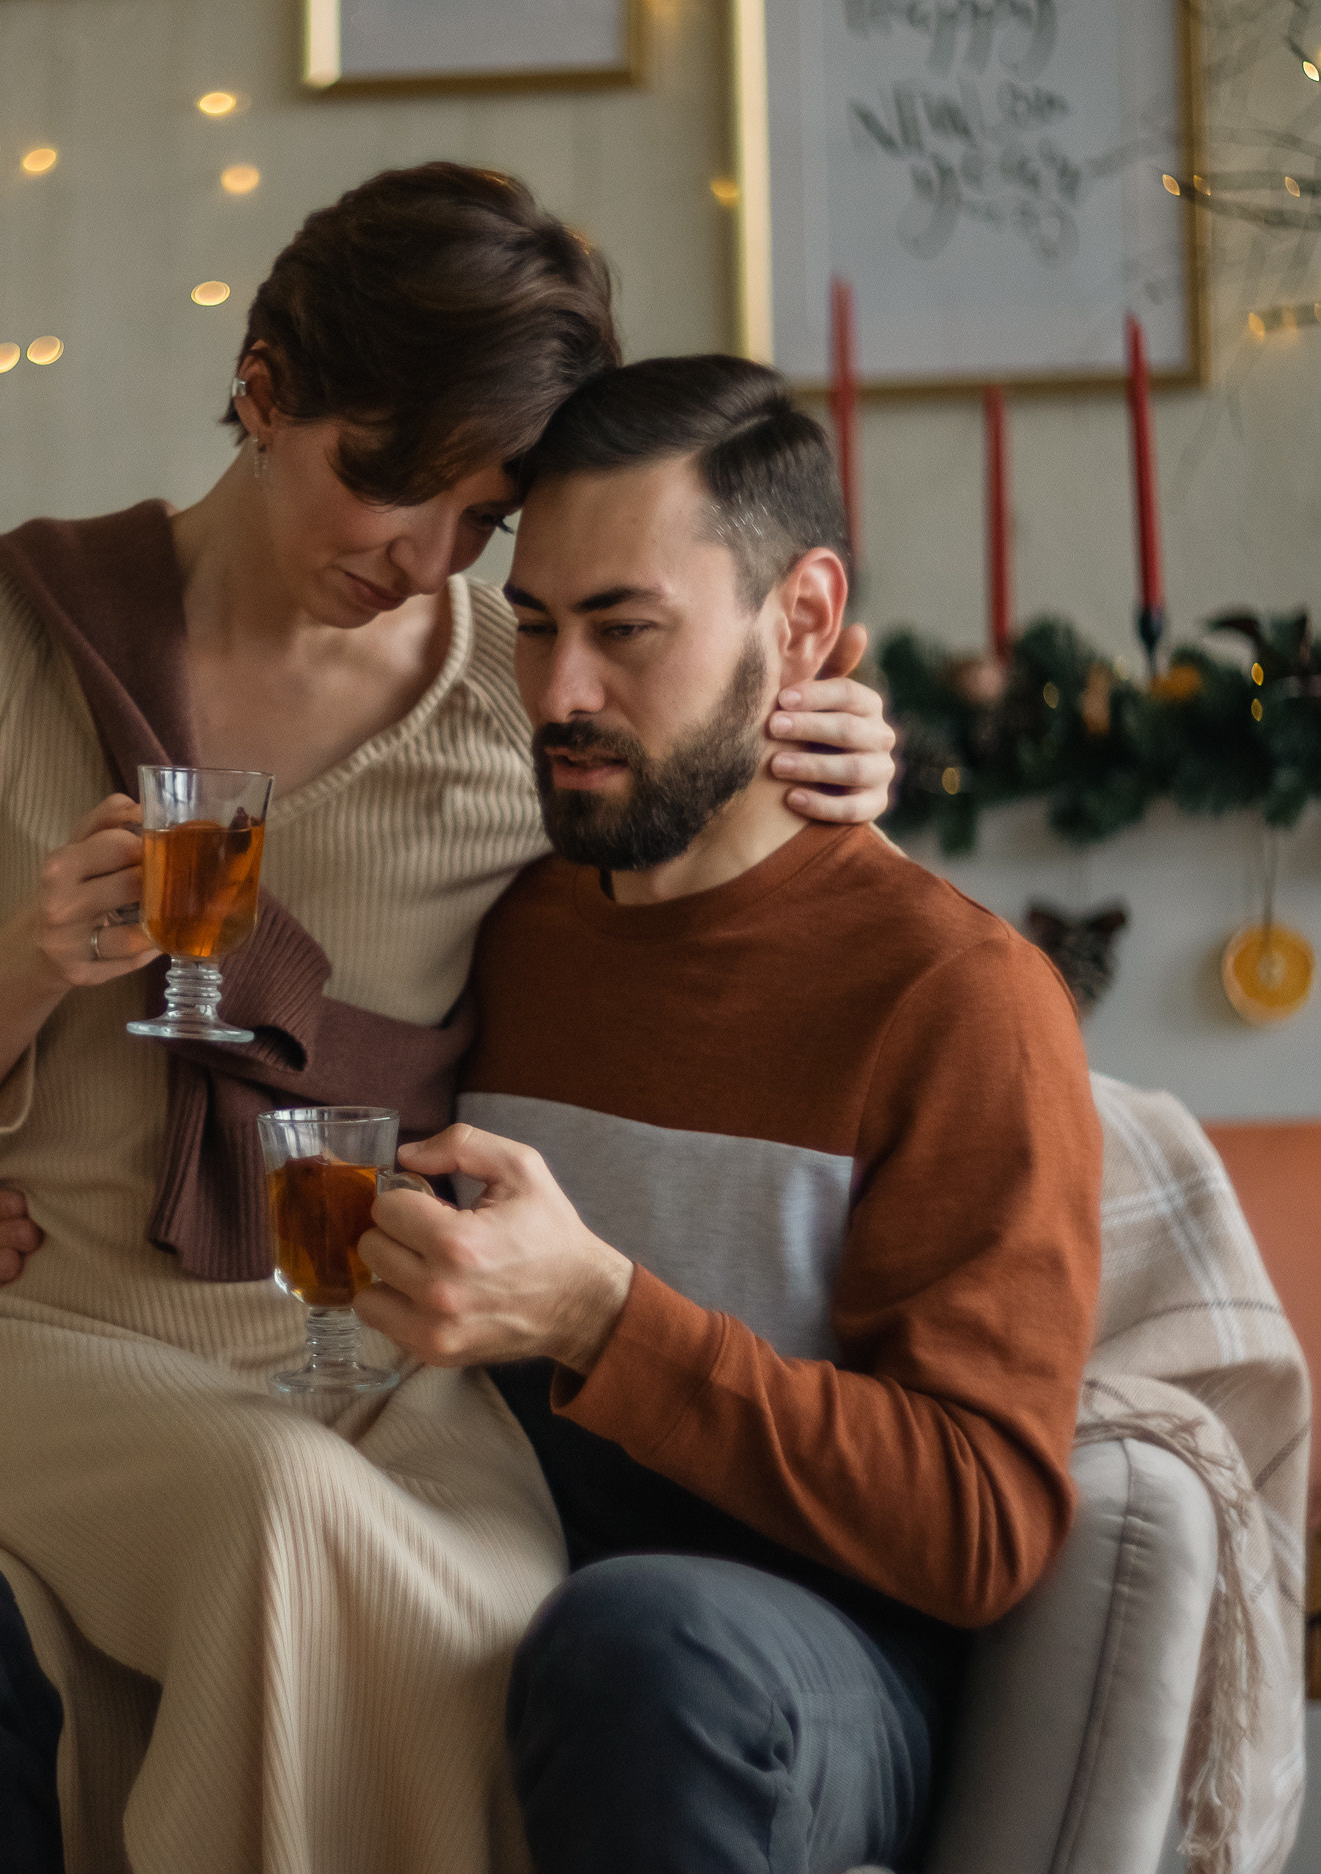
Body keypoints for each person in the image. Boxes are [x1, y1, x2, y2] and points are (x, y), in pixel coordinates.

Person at [0, 168, 899, 1874]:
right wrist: (31, 959)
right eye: (389, 481)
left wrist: (848, 756)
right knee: (278, 1513)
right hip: (50, 1354)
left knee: (487, 1596)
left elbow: (730, 860)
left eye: (481, 517)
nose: (422, 558)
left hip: (374, 1378)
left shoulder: (514, 701)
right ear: (266, 384)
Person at [350, 354, 1102, 1873]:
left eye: (627, 629)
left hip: (801, 1658)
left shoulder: (958, 996)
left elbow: (984, 1520)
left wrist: (604, 1318)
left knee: (641, 1637)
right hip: (461, 1558)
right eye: (538, 626)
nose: (559, 693)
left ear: (805, 622)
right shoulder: (504, 928)